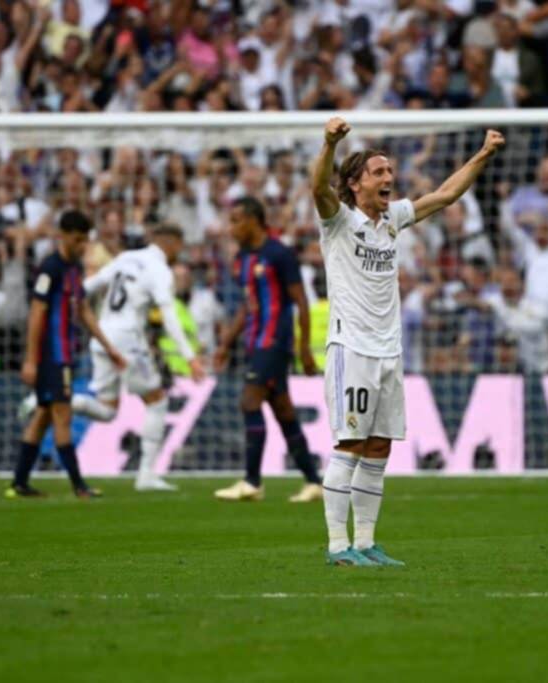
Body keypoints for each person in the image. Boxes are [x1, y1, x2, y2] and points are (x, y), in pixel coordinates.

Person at [311, 117, 504, 566]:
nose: (388, 178)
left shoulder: (393, 218)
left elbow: (446, 195)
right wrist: (328, 144)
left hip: (388, 351)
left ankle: (365, 543)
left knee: (379, 447)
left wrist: (482, 154)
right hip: (352, 349)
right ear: (355, 184)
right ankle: (338, 547)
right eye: (378, 172)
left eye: (390, 172)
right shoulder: (338, 221)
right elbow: (318, 187)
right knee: (350, 446)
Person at [60, 223, 205, 492]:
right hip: (127, 341)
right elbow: (170, 316)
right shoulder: (160, 270)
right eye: (179, 247)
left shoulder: (126, 258)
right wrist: (190, 357)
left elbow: (91, 285)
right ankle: (147, 475)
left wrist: (63, 295)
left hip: (102, 337)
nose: (179, 253)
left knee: (106, 410)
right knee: (158, 400)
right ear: (171, 243)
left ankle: (50, 399)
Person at [212, 197, 324, 504]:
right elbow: (248, 307)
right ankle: (314, 482)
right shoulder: (242, 259)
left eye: (236, 220)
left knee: (249, 402)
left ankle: (252, 481)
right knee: (283, 411)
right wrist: (225, 343)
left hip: (275, 341)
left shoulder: (279, 253)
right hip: (254, 341)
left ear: (254, 220)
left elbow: (300, 301)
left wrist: (304, 347)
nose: (231, 227)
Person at [7, 210, 126, 499]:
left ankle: (20, 483)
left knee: (45, 415)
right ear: (62, 235)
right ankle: (78, 485)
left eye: (85, 240)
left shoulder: (73, 268)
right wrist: (31, 360)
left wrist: (109, 347)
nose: (82, 245)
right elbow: (37, 313)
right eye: (77, 239)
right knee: (62, 415)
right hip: (51, 355)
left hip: (64, 354)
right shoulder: (51, 268)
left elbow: (82, 309)